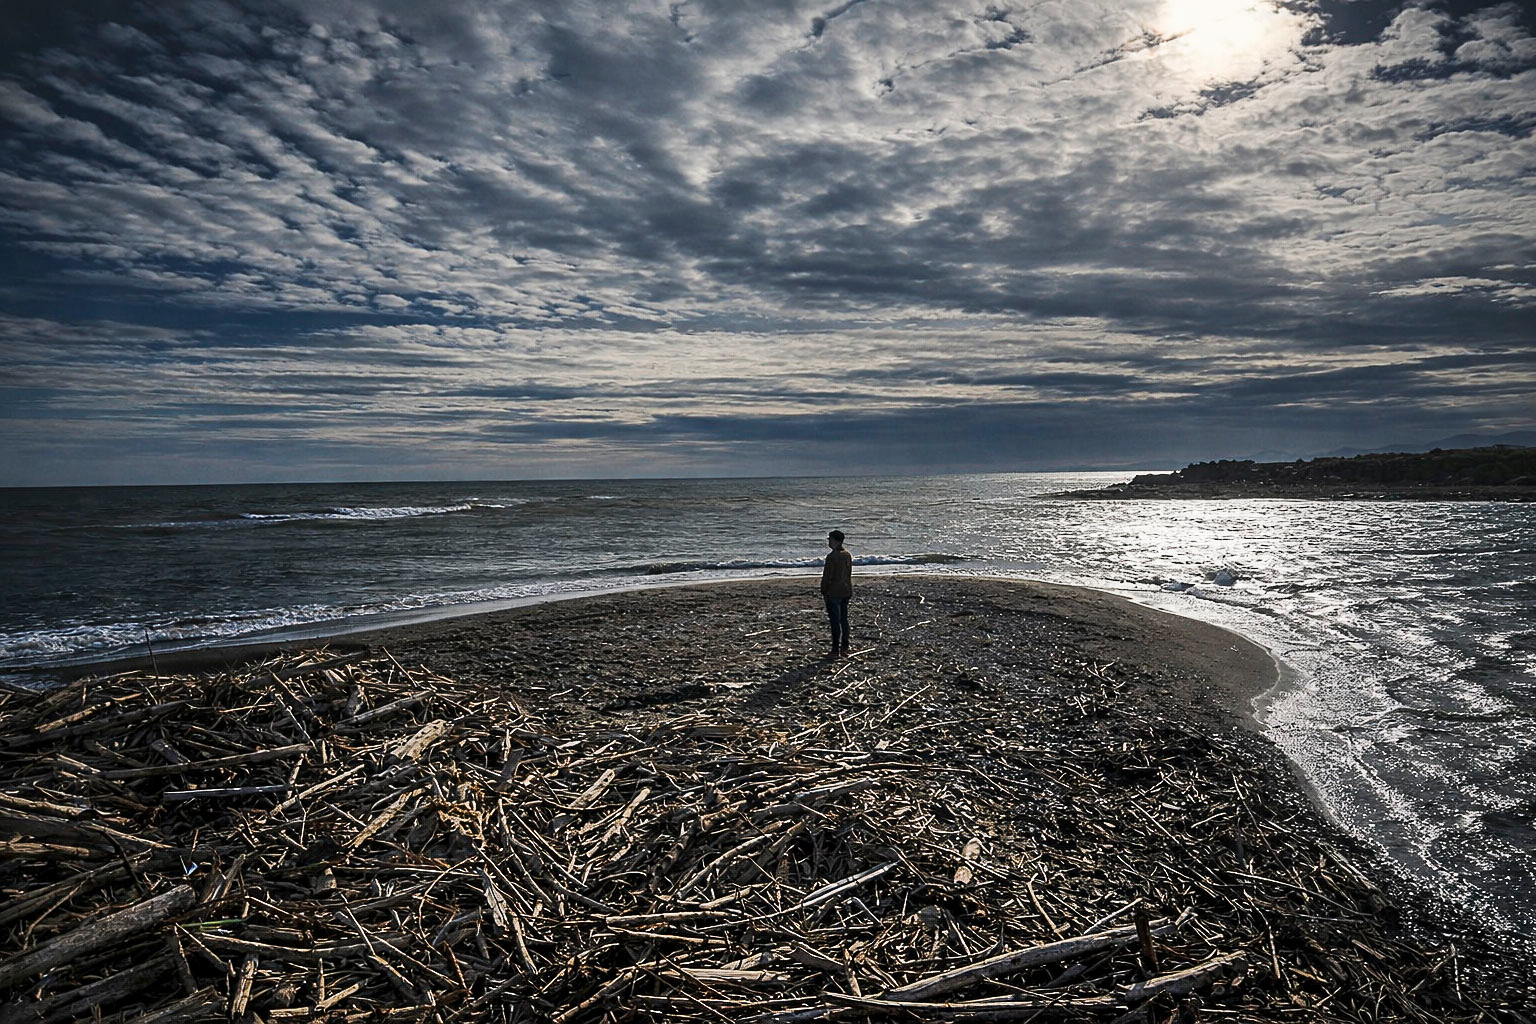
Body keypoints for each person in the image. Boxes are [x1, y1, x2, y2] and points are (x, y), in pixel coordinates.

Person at [820, 530, 853, 656]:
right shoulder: (847, 555)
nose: (829, 541)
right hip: (845, 590)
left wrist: (824, 590)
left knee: (835, 621)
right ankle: (845, 644)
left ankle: (835, 648)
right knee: (844, 619)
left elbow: (827, 576)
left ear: (836, 541)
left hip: (833, 592)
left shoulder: (832, 557)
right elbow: (848, 574)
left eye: (830, 539)